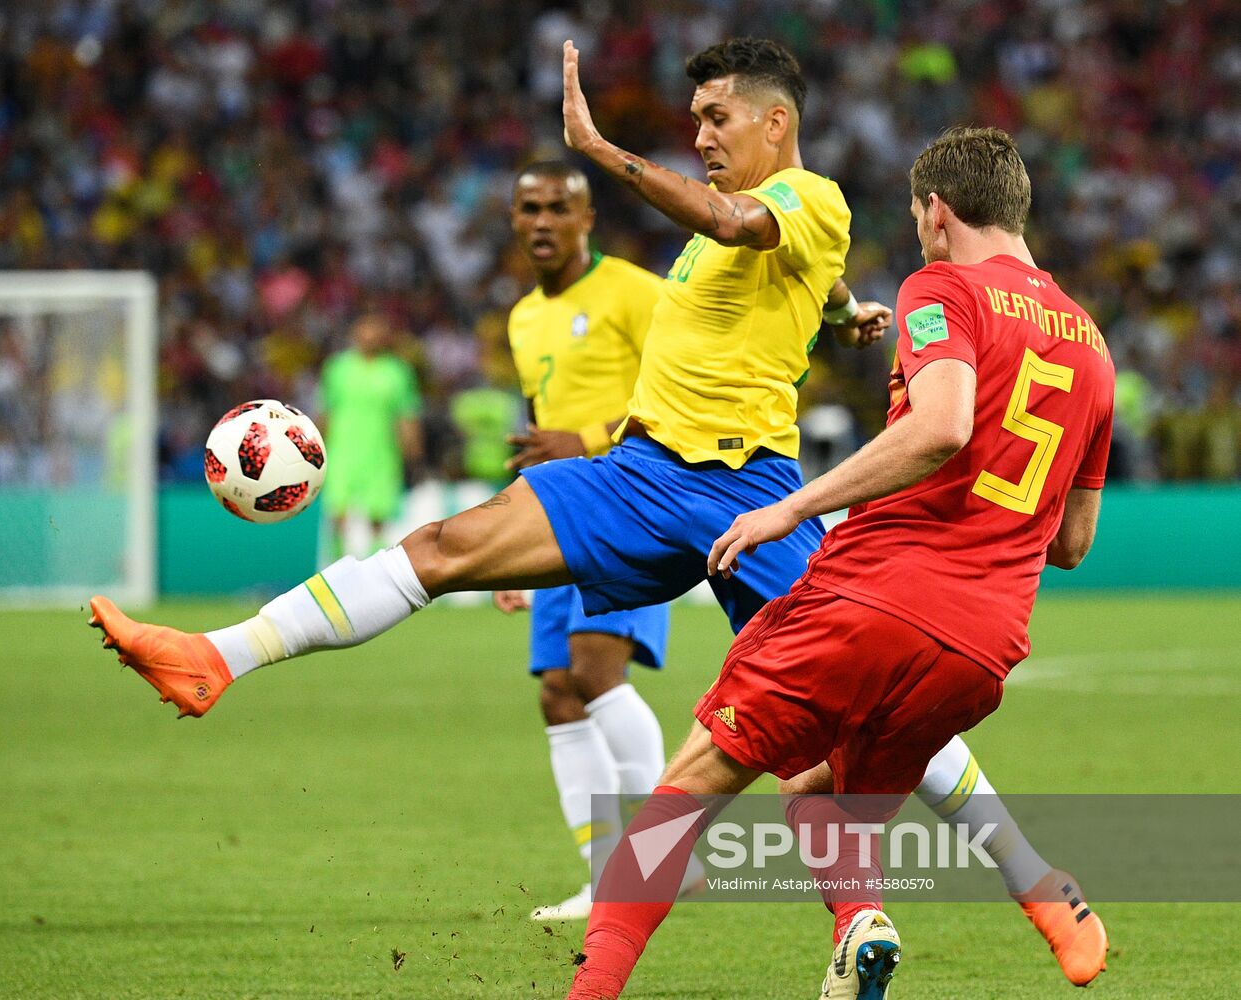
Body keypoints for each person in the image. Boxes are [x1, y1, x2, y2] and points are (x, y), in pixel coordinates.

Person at [89, 41, 1102, 989]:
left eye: (715, 118)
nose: (700, 136)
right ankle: (216, 657)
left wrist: (602, 152)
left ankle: (1032, 883)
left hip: (747, 490)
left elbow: (744, 225)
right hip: (639, 470)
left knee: (855, 706)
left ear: (776, 123)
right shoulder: (755, 238)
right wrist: (841, 313)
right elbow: (782, 268)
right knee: (445, 547)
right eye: (693, 121)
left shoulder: (807, 196)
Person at [566, 125, 1115, 1000]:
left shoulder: (941, 287)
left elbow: (941, 426)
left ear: (936, 213)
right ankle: (899, 919)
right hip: (981, 649)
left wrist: (789, 505)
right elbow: (1072, 543)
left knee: (687, 789)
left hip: (874, 598)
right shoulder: (1091, 346)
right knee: (816, 794)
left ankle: (585, 992)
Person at [494, 160, 679, 920]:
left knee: (595, 668)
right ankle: (605, 875)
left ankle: (671, 852)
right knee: (557, 693)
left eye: (556, 208)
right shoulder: (521, 318)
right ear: (514, 219)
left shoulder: (637, 292)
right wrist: (510, 548)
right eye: (528, 207)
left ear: (587, 217)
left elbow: (684, 388)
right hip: (560, 516)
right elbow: (541, 439)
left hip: (633, 501)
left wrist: (590, 438)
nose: (542, 221)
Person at [319, 312, 422, 557]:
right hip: (341, 450)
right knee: (338, 513)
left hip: (382, 452)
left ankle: (373, 569)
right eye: (366, 329)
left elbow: (406, 415)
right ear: (355, 333)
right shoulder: (338, 368)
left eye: (376, 331)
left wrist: (414, 453)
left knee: (378, 515)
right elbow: (326, 410)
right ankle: (337, 565)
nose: (370, 336)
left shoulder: (397, 372)